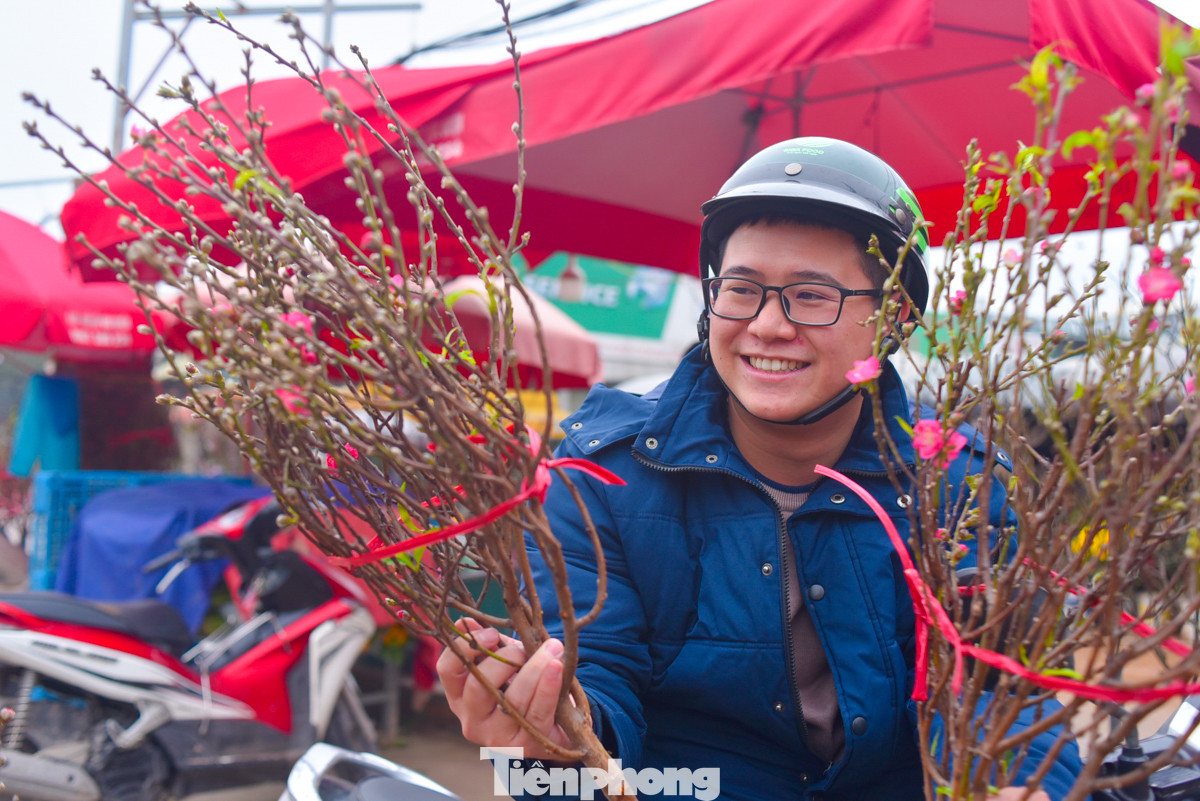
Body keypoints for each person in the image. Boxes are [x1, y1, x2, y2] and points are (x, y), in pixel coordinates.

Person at [437, 137, 1081, 800]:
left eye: (812, 295)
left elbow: (1001, 694)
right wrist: (553, 741)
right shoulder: (602, 475)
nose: (768, 325)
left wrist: (1013, 781)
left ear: (891, 317)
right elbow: (592, 677)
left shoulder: (957, 482)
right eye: (741, 289)